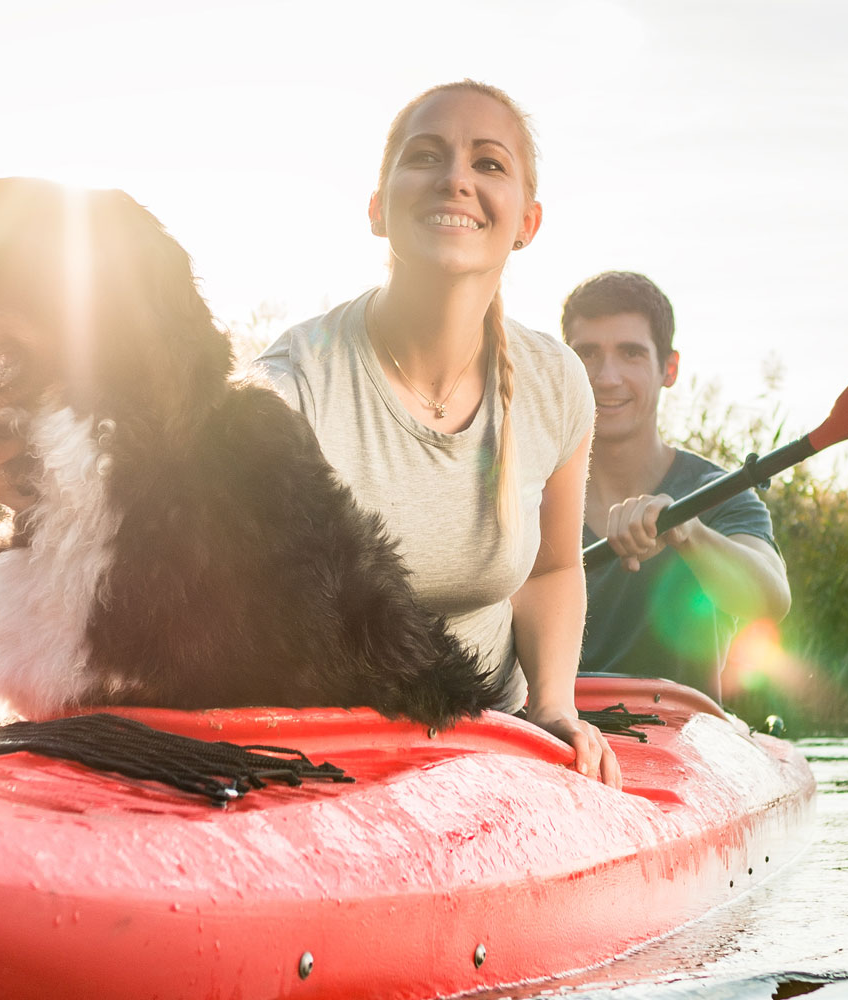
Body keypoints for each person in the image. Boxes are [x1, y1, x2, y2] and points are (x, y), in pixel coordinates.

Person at [253, 81, 619, 787]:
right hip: (328, 757)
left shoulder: (556, 383)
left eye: (488, 164)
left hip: (497, 749)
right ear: (375, 209)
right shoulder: (289, 388)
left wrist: (554, 709)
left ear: (528, 222)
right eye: (426, 156)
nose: (455, 179)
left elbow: (550, 569)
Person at [561, 271, 790, 701]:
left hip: (680, 740)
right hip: (550, 737)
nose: (607, 377)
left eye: (631, 353)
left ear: (669, 368)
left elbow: (771, 599)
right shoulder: (527, 493)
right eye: (587, 354)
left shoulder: (719, 490)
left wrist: (687, 533)